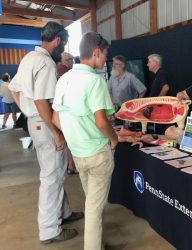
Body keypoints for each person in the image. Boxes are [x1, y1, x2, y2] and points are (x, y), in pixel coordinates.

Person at [9, 21, 83, 244]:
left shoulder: (28, 59)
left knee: (55, 171)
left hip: (36, 123)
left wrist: (26, 109)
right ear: (58, 40)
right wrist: (56, 132)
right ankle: (50, 230)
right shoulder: (46, 63)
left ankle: (64, 213)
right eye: (65, 43)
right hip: (45, 124)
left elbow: (14, 89)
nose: (64, 49)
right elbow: (42, 100)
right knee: (52, 177)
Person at [52, 32, 118, 250]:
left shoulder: (63, 79)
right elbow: (101, 122)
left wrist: (75, 135)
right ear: (96, 51)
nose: (105, 60)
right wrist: (114, 139)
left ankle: (97, 243)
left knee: (92, 202)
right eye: (105, 55)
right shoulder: (95, 81)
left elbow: (55, 118)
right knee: (93, 209)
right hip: (98, 153)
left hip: (79, 153)